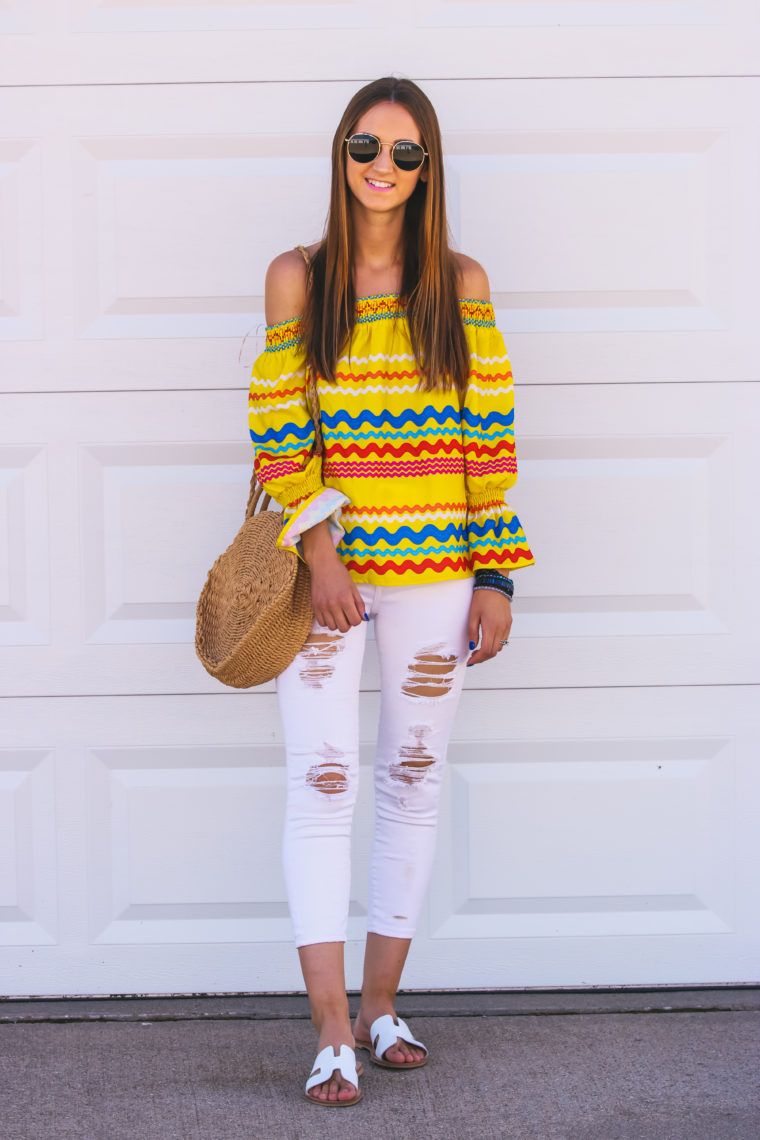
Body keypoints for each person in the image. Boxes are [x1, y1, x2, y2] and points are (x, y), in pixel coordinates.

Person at [247, 76, 535, 1106]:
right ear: (341, 153)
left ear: (428, 169)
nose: (383, 165)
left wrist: (494, 572)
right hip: (327, 580)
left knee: (412, 779)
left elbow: (486, 448)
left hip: (440, 576)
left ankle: (380, 1006)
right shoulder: (298, 279)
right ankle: (327, 1024)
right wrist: (320, 554)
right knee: (321, 782)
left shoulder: (459, 282)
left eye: (406, 152)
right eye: (366, 145)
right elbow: (280, 433)